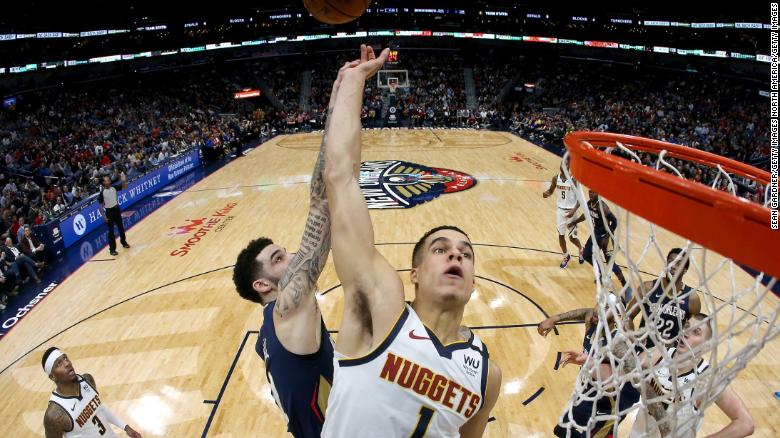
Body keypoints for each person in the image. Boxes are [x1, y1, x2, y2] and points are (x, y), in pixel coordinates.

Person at [320, 45, 501, 438]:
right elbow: (340, 177)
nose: (456, 253)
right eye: (441, 248)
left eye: (466, 254)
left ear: (473, 281)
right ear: (414, 273)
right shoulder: (380, 307)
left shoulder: (486, 373)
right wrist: (353, 82)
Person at [232, 58, 362, 437]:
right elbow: (323, 199)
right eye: (277, 258)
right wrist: (346, 91)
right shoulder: (288, 309)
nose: (291, 257)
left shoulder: (265, 338)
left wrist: (340, 93)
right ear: (262, 285)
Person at [563, 315, 754, 438]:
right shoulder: (657, 354)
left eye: (696, 332)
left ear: (707, 345)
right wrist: (588, 362)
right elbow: (617, 375)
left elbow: (745, 423)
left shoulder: (707, 378)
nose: (687, 333)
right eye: (686, 326)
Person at [42, 347, 143, 437]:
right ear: (52, 376)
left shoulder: (87, 380)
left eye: (65, 358)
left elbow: (99, 409)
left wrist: (125, 427)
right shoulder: (55, 415)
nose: (67, 363)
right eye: (59, 364)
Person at [626, 247, 701, 351]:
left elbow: (694, 332)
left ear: (685, 270)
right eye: (670, 261)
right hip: (642, 350)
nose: (673, 266)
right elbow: (628, 317)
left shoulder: (692, 298)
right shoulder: (649, 288)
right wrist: (632, 339)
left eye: (678, 264)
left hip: (668, 357)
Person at [571, 190, 627, 285]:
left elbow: (614, 221)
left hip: (607, 237)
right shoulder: (589, 204)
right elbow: (586, 215)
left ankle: (625, 285)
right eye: (590, 192)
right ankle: (602, 273)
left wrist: (607, 236)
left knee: (611, 264)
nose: (591, 194)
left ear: (598, 194)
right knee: (586, 254)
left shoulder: (602, 207)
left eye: (593, 192)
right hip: (596, 234)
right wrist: (574, 222)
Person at [543, 162, 584, 269]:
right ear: (560, 167)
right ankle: (566, 256)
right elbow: (551, 191)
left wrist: (573, 211)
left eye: (566, 165)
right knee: (561, 235)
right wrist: (546, 193)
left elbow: (580, 199)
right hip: (560, 211)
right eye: (562, 165)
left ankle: (581, 248)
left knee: (572, 237)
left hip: (572, 211)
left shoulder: (574, 180)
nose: (564, 167)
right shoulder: (556, 178)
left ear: (569, 167)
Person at [98, 172, 129, 256]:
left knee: (121, 227)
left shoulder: (114, 187)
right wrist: (104, 217)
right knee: (111, 232)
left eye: (108, 180)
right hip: (109, 212)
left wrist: (123, 180)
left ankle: (124, 242)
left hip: (116, 209)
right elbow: (101, 207)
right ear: (103, 183)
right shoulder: (102, 193)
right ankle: (112, 250)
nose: (108, 181)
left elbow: (124, 187)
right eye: (106, 180)